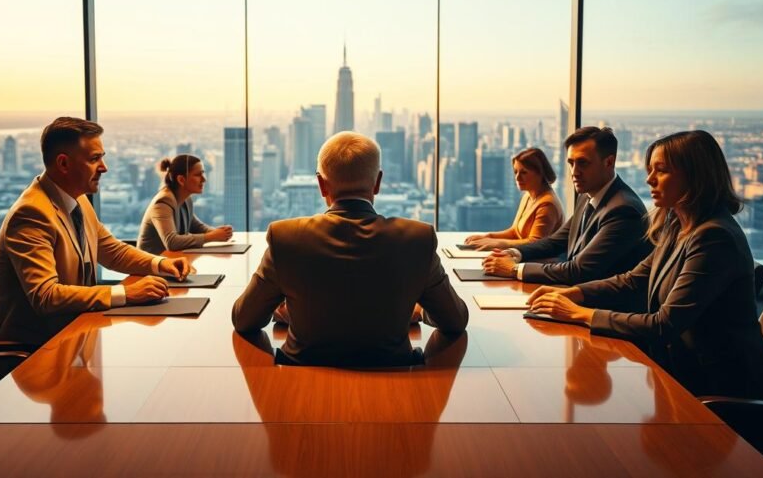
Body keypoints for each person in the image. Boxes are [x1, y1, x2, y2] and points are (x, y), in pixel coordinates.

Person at [526, 130, 763, 400]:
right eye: (650, 170)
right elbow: (634, 279)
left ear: (695, 177)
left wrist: (577, 313)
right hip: (679, 373)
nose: (649, 179)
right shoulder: (677, 223)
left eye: (661, 171)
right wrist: (573, 293)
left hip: (720, 389)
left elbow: (664, 325)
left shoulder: (714, 237)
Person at [232, 131, 469, 366]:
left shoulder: (285, 237)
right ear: (377, 182)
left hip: (302, 378)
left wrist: (294, 311)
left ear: (321, 184)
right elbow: (455, 320)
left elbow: (244, 319)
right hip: (394, 376)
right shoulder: (418, 238)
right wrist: (411, 310)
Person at [0, 117, 191, 345]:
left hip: (76, 332)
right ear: (64, 164)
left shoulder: (77, 200)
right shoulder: (31, 213)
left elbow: (112, 250)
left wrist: (159, 264)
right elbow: (45, 296)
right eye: (94, 159)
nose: (104, 168)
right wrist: (126, 294)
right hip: (36, 349)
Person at [482, 126, 651, 286]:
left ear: (609, 162)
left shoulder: (623, 210)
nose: (574, 172)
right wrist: (514, 253)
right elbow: (555, 242)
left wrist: (514, 269)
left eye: (583, 163)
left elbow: (579, 270)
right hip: (575, 295)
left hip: (602, 308)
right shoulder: (587, 196)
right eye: (571, 163)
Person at [464, 147, 564, 250]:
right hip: (523, 257)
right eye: (516, 172)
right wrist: (488, 237)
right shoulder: (528, 196)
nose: (517, 178)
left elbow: (535, 243)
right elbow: (515, 231)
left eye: (524, 172)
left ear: (540, 173)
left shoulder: (547, 205)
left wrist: (497, 244)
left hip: (542, 262)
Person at [137, 154, 233, 253]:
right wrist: (211, 236)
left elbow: (196, 227)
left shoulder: (186, 199)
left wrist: (219, 233)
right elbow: (172, 242)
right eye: (197, 175)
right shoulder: (162, 203)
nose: (204, 179)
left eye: (203, 174)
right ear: (181, 180)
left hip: (170, 260)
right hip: (152, 265)